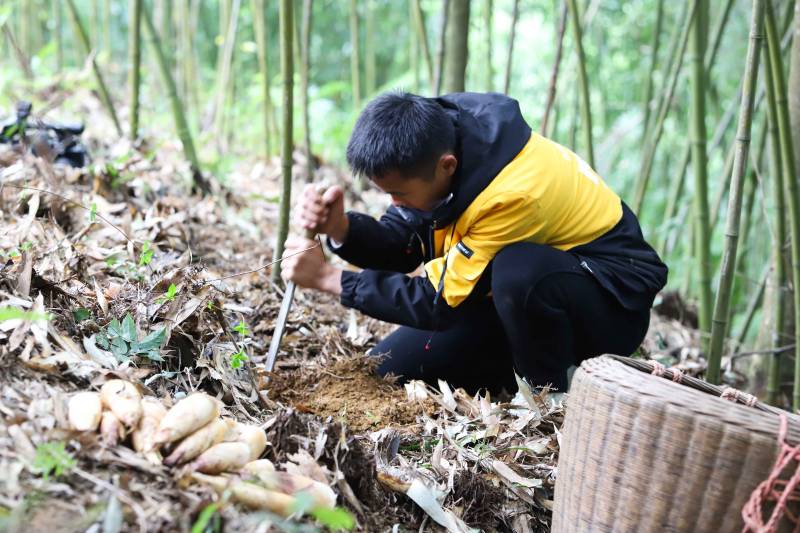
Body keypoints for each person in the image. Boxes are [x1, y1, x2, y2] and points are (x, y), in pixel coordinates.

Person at [280, 91, 668, 402]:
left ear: (446, 166)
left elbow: (438, 299)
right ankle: (515, 364)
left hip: (606, 305)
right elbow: (407, 241)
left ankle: (551, 397)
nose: (394, 204)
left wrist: (331, 280)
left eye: (399, 194)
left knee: (519, 271)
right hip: (514, 305)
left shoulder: (513, 194)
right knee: (390, 368)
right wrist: (343, 229)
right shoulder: (436, 137)